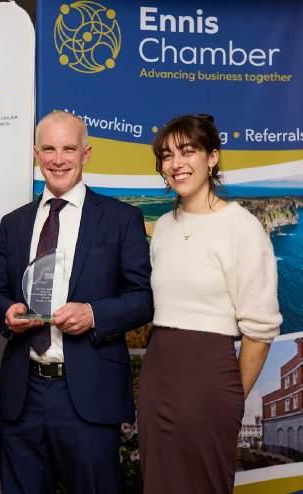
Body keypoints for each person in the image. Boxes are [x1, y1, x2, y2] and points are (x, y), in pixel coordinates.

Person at [0, 110, 153, 494]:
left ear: (86, 153)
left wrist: (94, 314)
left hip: (88, 395)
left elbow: (143, 299)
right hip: (23, 394)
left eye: (68, 149)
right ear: (36, 154)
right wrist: (7, 312)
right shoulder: (14, 223)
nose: (58, 159)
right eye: (49, 149)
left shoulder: (121, 219)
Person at [138, 114, 282, 494]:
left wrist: (231, 397)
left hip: (209, 378)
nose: (176, 163)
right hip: (157, 374)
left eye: (188, 151)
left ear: (212, 157)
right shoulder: (163, 228)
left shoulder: (241, 227)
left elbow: (261, 330)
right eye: (167, 155)